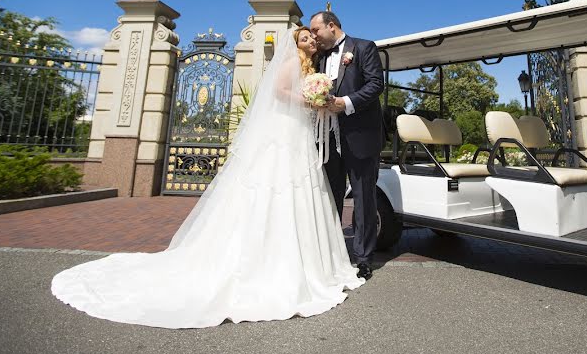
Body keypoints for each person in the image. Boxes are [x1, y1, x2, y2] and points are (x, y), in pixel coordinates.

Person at [50, 27, 364, 328]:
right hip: (283, 133)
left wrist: (318, 102)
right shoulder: (291, 61)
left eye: (311, 37)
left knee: (299, 192)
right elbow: (279, 93)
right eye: (305, 38)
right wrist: (308, 101)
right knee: (276, 188)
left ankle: (303, 260)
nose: (311, 41)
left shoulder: (313, 65)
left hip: (300, 134)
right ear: (295, 44)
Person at [308, 11, 384, 280]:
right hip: (327, 138)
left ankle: (363, 258)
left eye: (316, 30)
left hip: (360, 136)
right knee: (331, 195)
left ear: (331, 26)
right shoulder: (318, 57)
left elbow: (376, 85)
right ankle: (333, 253)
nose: (314, 36)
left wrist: (345, 103)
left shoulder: (363, 48)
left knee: (363, 198)